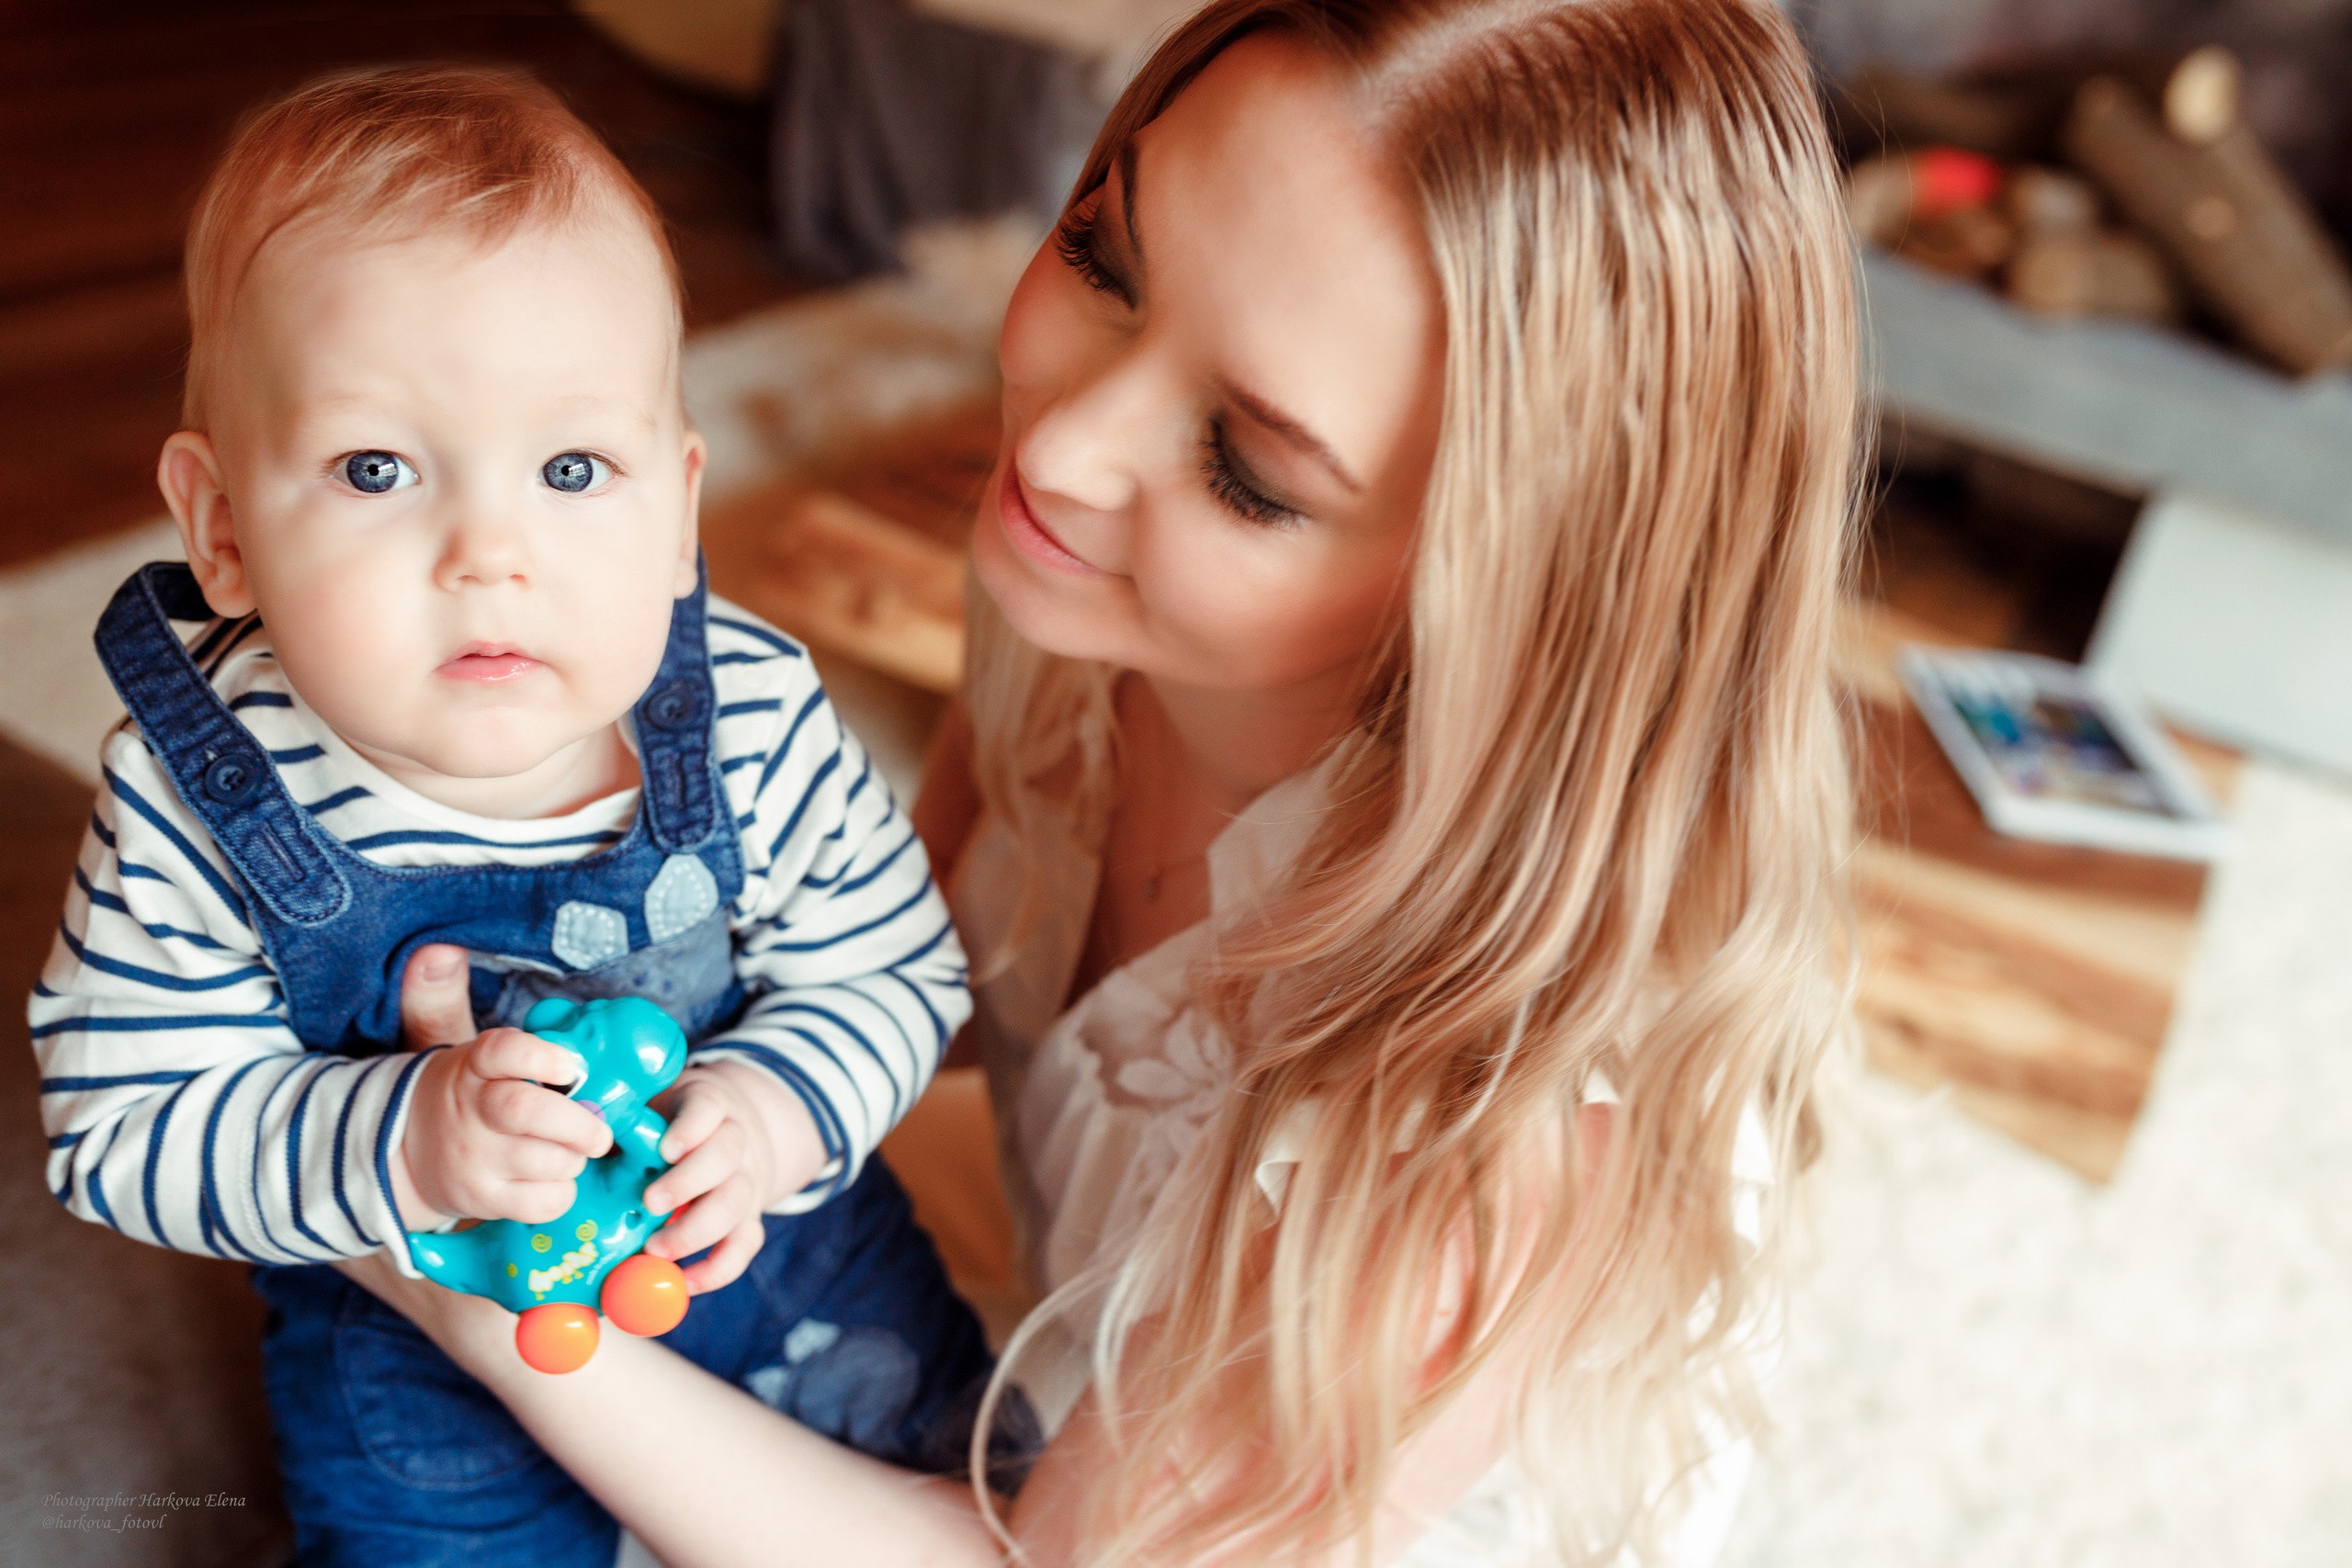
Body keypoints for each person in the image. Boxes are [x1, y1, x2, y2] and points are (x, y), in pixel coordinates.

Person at [342, 1, 1865, 1563]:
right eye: (1103, 261)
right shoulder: (1079, 608)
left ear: (1509, 588)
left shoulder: (1500, 1120)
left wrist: (486, 1321)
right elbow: (863, 983)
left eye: (1249, 470)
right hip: (1087, 1349)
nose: (1063, 445)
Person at [28, 66, 1014, 1566]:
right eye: (377, 468)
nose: (491, 552)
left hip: (781, 1265)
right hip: (434, 1377)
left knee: (998, 1492)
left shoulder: (742, 707)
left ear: (679, 513)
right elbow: (121, 1125)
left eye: (572, 468)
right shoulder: (194, 793)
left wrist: (770, 1107)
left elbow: (896, 973)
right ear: (222, 527)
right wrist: (398, 1137)